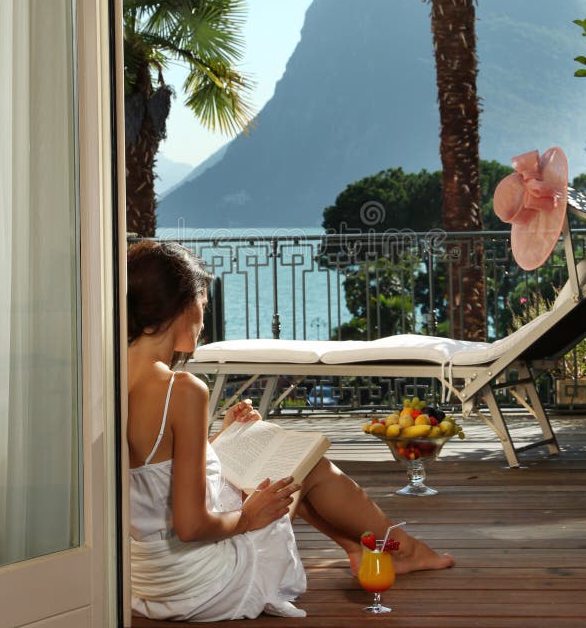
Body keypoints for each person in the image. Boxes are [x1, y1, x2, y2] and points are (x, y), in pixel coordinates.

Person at [127, 240, 454, 621]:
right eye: (203, 304)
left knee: (287, 466)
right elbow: (191, 526)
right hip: (201, 582)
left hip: (148, 578)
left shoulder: (107, 374)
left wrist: (222, 436)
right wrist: (250, 518)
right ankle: (400, 550)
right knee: (301, 469)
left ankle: (363, 547)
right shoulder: (181, 390)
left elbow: (154, 472)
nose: (203, 318)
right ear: (182, 306)